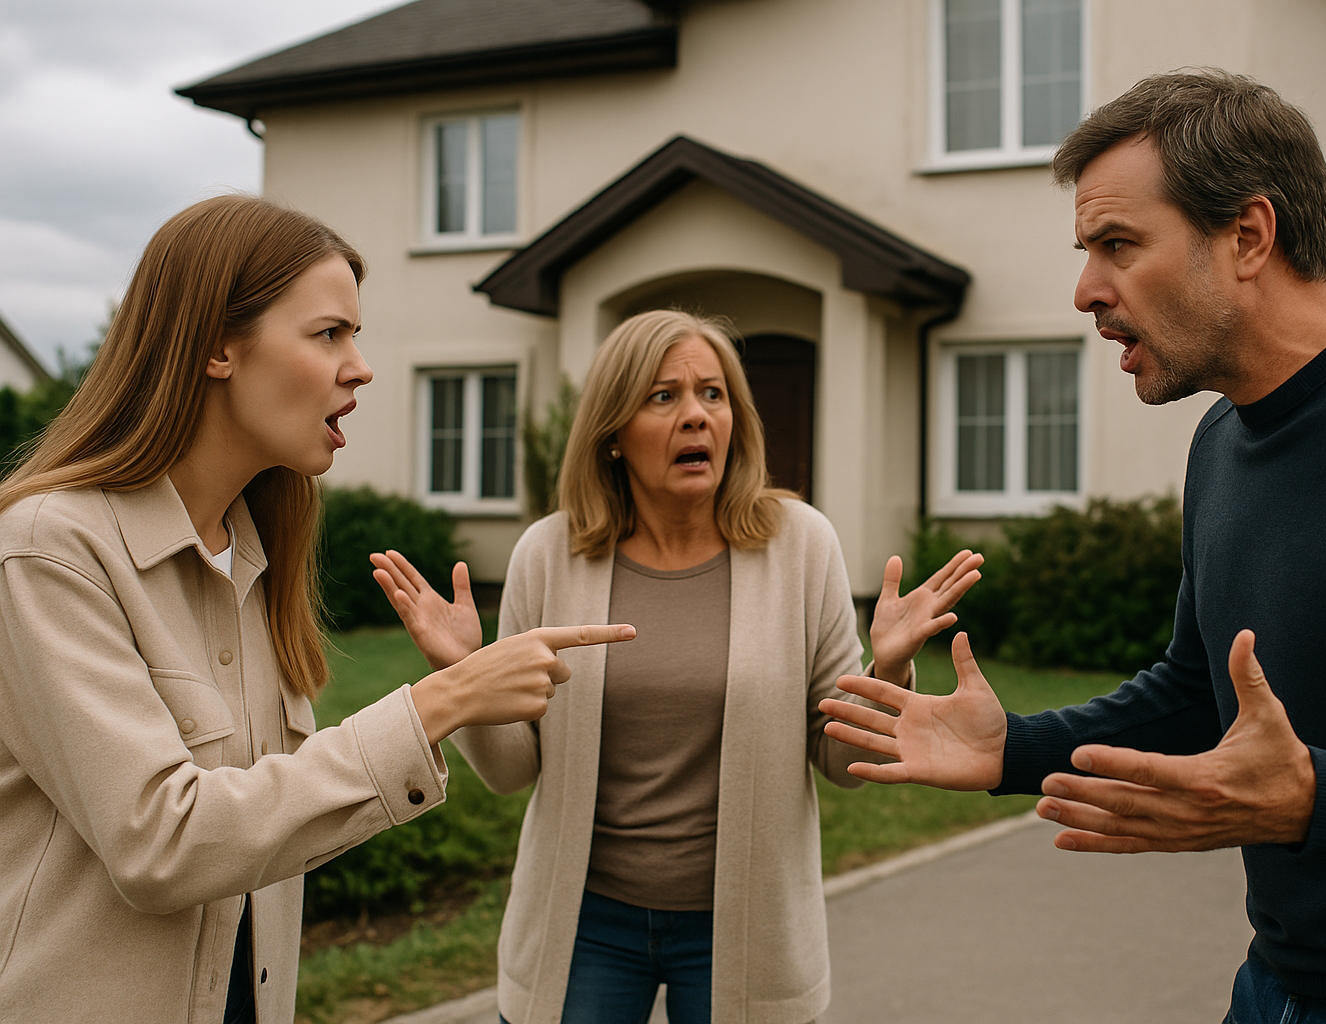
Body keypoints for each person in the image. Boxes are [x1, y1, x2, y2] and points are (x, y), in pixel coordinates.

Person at [820, 70, 1326, 1022]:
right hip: (1278, 986)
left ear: (1248, 235)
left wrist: (1324, 794)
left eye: (1118, 244)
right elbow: (1197, 696)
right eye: (1086, 251)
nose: (1085, 291)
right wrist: (1014, 748)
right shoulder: (1223, 439)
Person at [0, 195, 631, 1024]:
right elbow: (160, 842)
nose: (361, 366)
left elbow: (260, 831)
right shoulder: (49, 549)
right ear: (218, 348)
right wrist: (440, 704)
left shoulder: (255, 556)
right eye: (329, 333)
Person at [369, 308, 982, 1024]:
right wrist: (464, 675)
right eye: (664, 397)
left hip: (744, 923)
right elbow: (512, 772)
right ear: (614, 434)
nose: (696, 416)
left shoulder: (801, 546)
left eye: (713, 394)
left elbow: (838, 764)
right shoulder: (549, 555)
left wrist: (887, 669)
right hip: (585, 925)